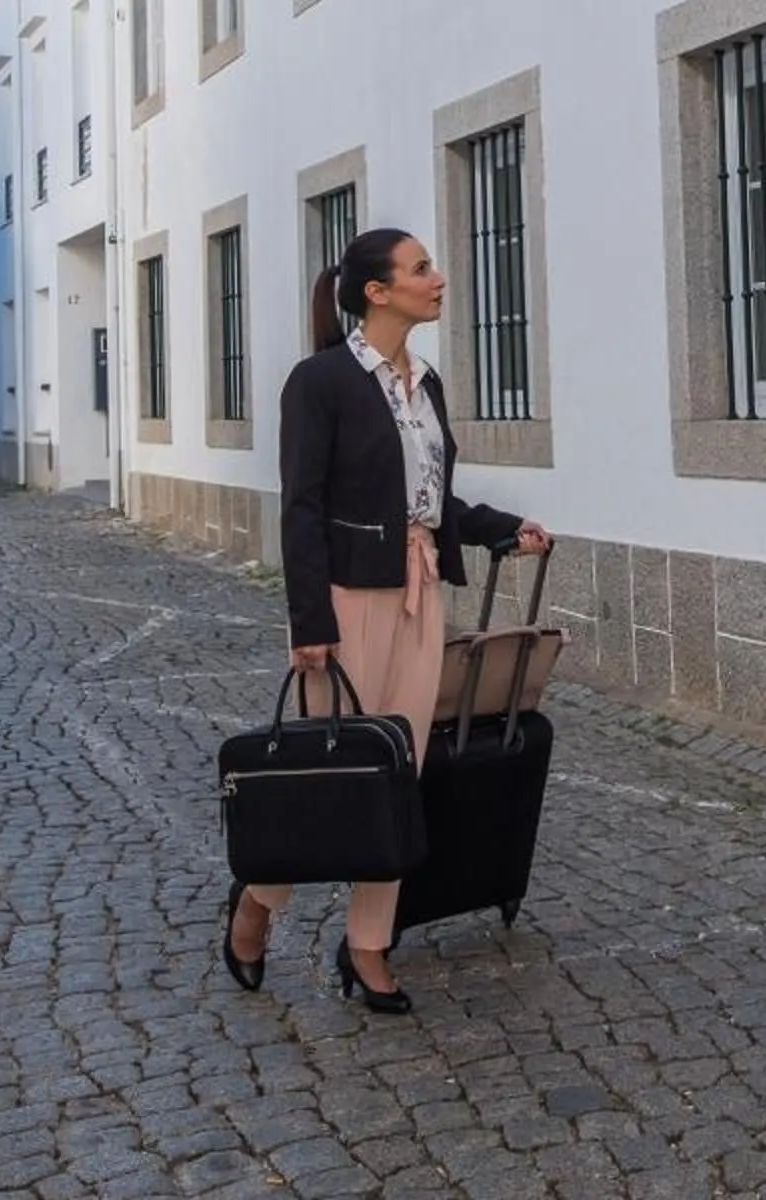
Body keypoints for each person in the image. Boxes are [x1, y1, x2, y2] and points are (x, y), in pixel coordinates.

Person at [220, 227, 552, 1013]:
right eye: (421, 269)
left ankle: (367, 944)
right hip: (344, 601)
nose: (437, 279)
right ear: (377, 291)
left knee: (400, 776)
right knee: (328, 776)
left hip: (419, 591)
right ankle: (258, 902)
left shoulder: (425, 383)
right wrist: (309, 621)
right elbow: (301, 509)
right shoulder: (322, 381)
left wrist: (501, 527)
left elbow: (431, 501)